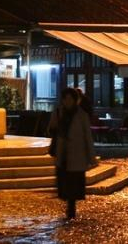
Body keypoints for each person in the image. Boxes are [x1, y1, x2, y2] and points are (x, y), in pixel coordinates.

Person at [48, 87, 97, 221]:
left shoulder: (82, 115)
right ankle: (69, 204)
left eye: (70, 98)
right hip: (63, 153)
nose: (67, 101)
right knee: (64, 181)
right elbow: (51, 128)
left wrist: (91, 157)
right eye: (65, 98)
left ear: (75, 100)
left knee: (74, 182)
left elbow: (87, 136)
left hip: (76, 154)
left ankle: (71, 207)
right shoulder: (58, 112)